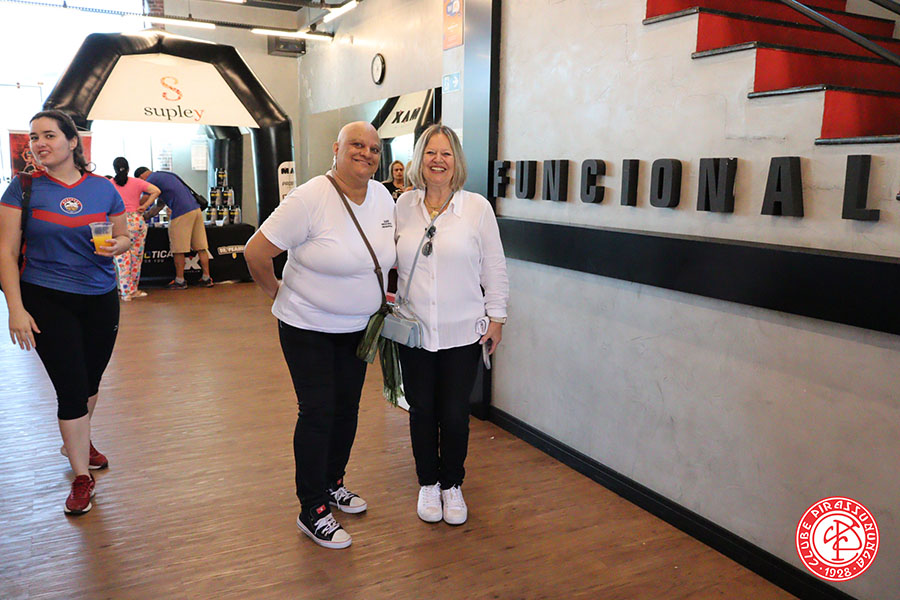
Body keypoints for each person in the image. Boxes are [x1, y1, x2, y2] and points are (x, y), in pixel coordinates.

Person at [244, 121, 396, 549]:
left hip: (358, 328)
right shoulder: (309, 198)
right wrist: (277, 292)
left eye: (374, 148)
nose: (366, 153)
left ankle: (332, 482)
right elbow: (256, 252)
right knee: (318, 411)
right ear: (336, 149)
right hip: (307, 326)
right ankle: (311, 508)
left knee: (347, 409)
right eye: (356, 145)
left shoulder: (383, 197)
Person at [0, 109, 131, 515]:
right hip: (46, 297)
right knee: (71, 387)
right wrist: (15, 309)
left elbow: (123, 234)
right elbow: (5, 252)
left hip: (100, 296)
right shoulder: (22, 188)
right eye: (33, 137)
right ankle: (81, 477)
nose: (38, 143)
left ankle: (80, 439)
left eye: (48, 135)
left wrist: (119, 246)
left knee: (91, 380)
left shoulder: (103, 188)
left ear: (73, 142)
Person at [394, 124, 508, 526]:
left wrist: (497, 317)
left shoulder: (477, 208)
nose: (438, 160)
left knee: (456, 413)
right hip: (414, 330)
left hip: (463, 330)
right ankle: (428, 482)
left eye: (445, 153)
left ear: (456, 161)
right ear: (419, 160)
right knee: (421, 410)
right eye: (430, 152)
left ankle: (452, 484)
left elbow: (494, 266)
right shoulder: (403, 206)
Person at [135, 167, 212, 289]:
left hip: (181, 213)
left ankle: (180, 281)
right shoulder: (166, 176)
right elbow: (159, 206)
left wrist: (130, 207)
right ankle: (206, 278)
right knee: (201, 247)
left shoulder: (151, 180)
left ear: (141, 178)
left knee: (178, 249)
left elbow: (143, 200)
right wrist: (145, 217)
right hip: (196, 210)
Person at [111, 157, 160, 300]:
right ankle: (133, 290)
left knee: (121, 257)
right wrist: (145, 206)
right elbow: (156, 191)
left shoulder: (109, 184)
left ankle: (123, 290)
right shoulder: (137, 182)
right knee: (136, 257)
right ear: (128, 169)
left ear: (114, 169)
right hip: (136, 220)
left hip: (118, 220)